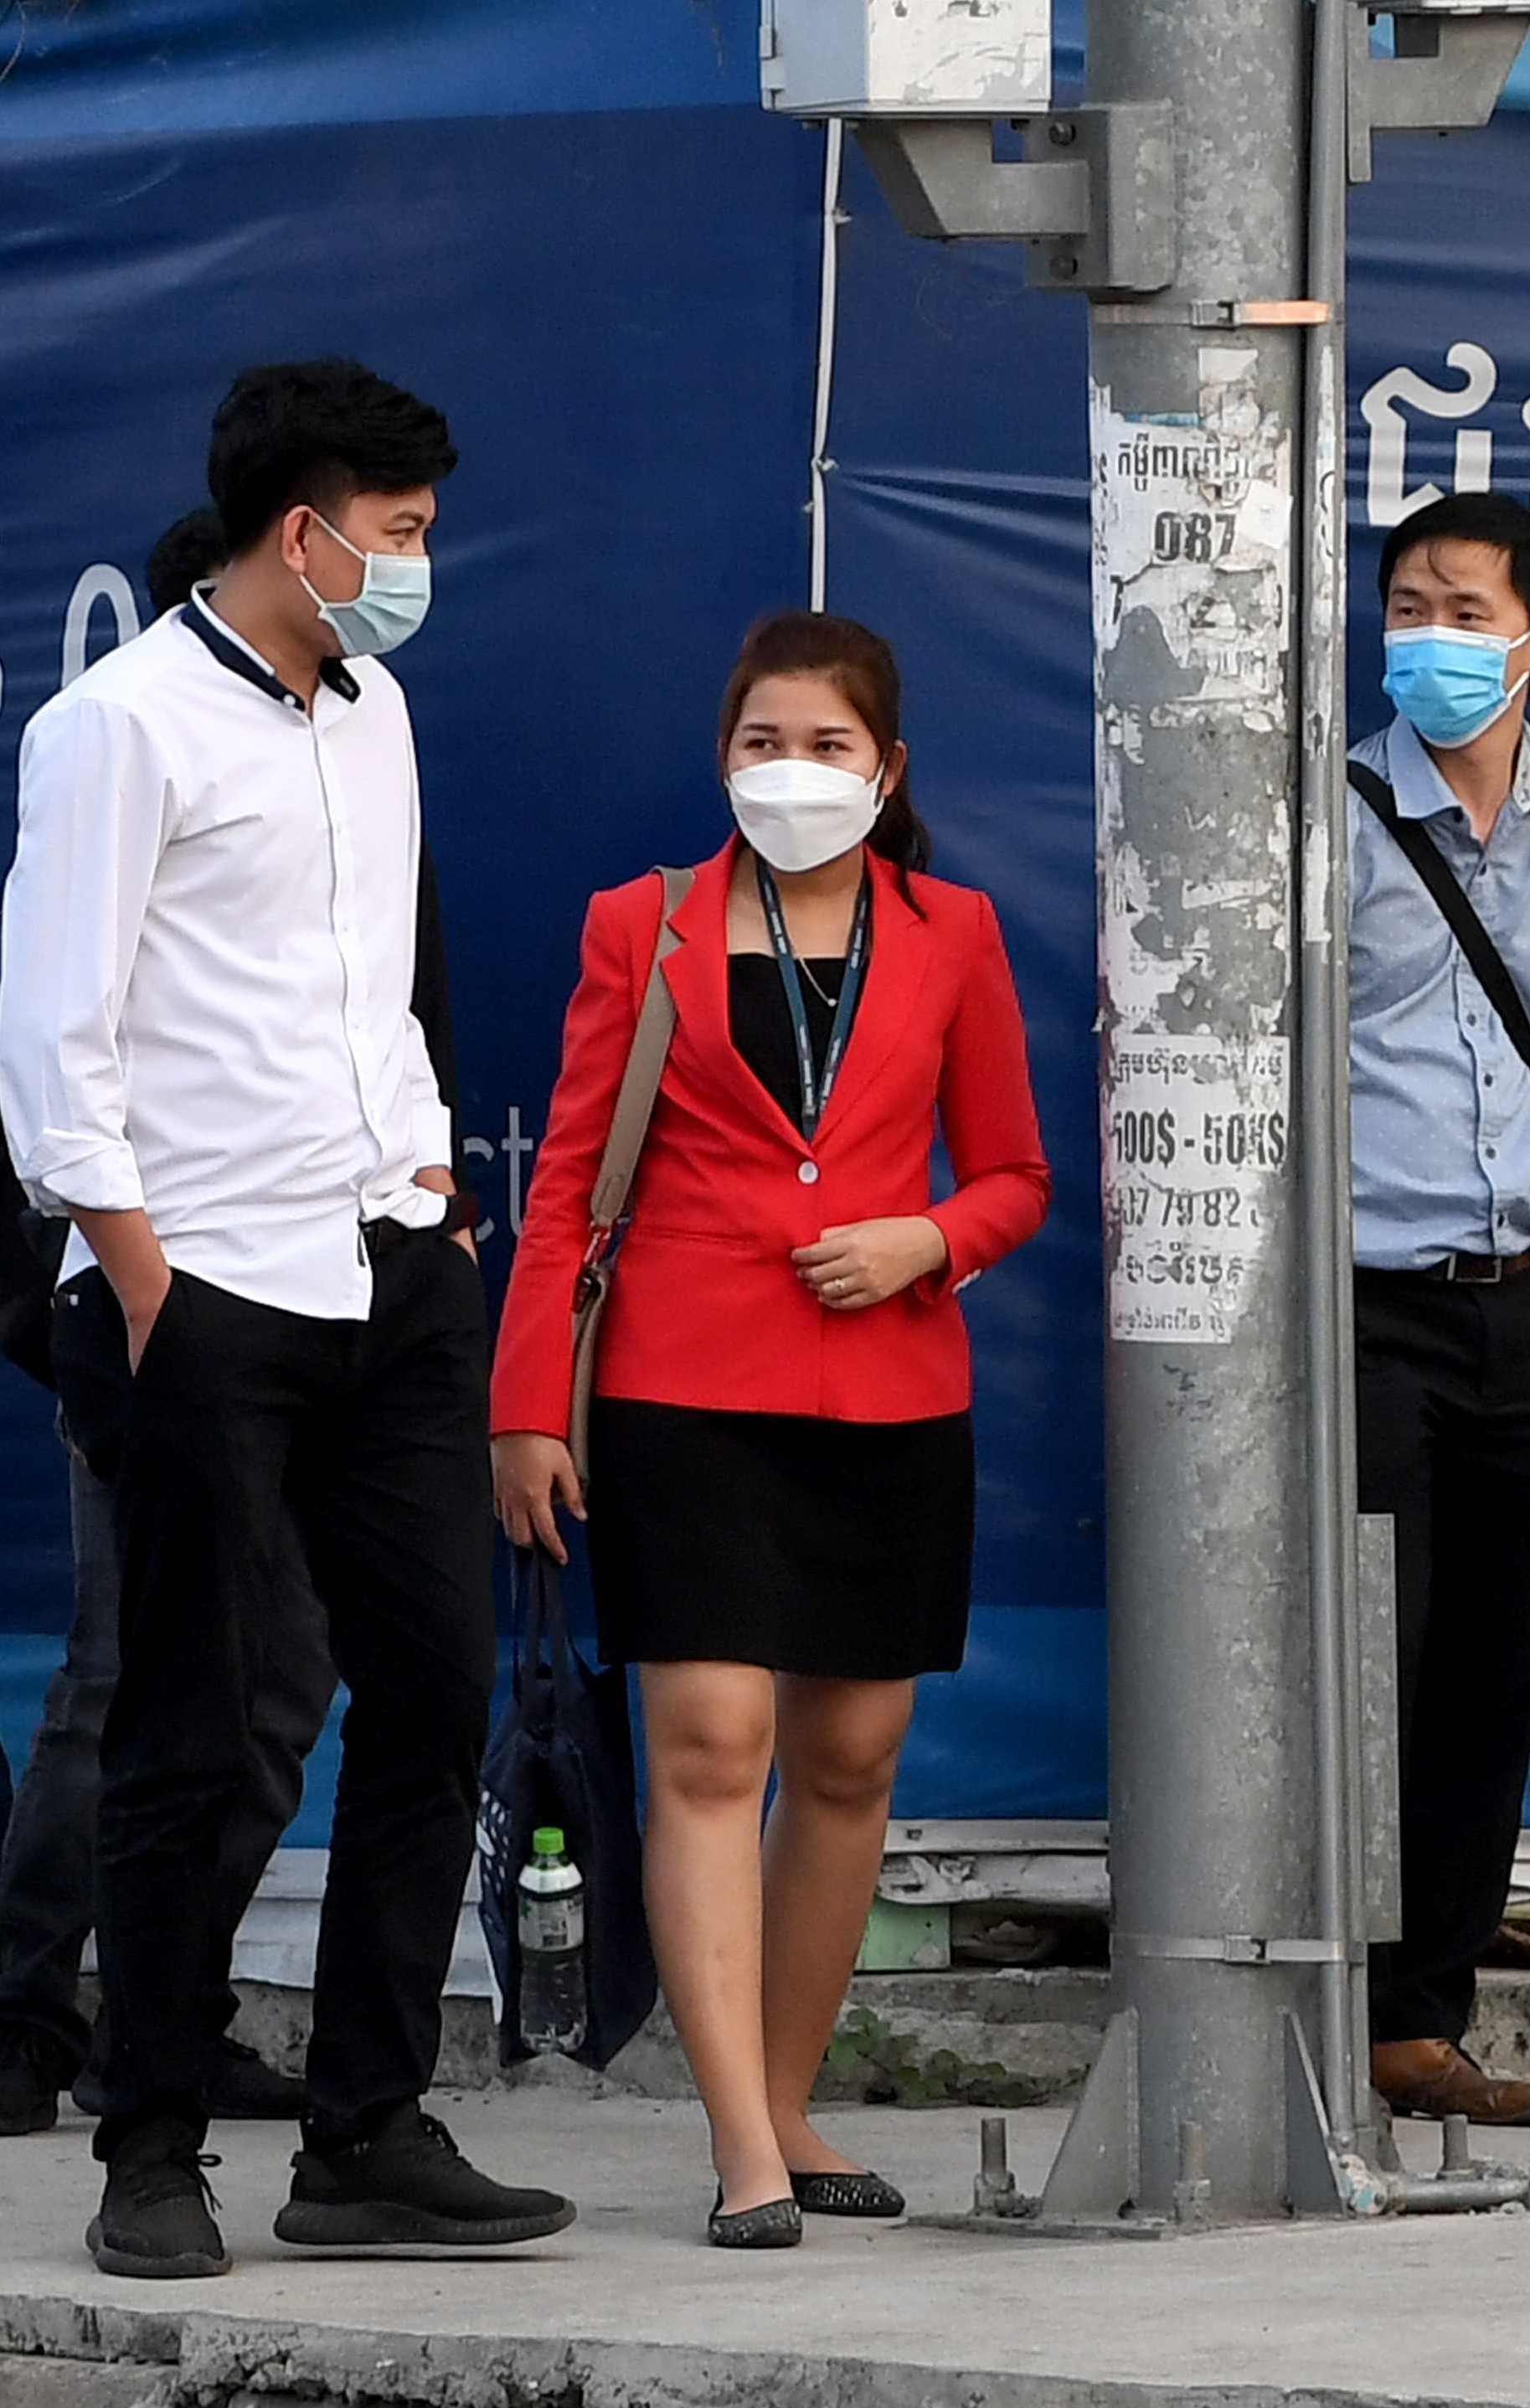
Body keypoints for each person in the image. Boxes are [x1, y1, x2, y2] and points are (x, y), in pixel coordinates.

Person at [0, 359, 568, 2279]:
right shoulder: (119, 726)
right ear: (300, 529)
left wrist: (428, 1197)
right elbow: (56, 1035)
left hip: (386, 1270)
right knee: (200, 1724)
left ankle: (366, 2131)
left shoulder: (376, 705)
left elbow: (373, 987)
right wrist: (143, 1275)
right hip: (205, 1292)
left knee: (434, 1691)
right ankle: (146, 2141)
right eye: (397, 534)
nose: (419, 565)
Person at [488, 613, 1048, 2246]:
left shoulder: (953, 933)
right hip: (681, 1388)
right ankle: (739, 2142)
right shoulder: (641, 925)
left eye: (824, 746)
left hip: (889, 1395)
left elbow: (1012, 1172)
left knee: (851, 1754)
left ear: (886, 769)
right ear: (720, 756)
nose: (789, 772)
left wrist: (922, 1240)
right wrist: (528, 1406)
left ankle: (793, 2099)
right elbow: (571, 1185)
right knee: (711, 1744)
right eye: (759, 742)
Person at [0, 513, 352, 2142]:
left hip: (311, 1314)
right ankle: (21, 2013)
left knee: (278, 1678)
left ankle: (165, 2007)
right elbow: (59, 1080)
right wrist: (142, 1297)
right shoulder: (114, 777)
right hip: (152, 1314)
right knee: (126, 1667)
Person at [1340, 491, 1530, 2130]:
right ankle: (1310, 2008)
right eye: (1408, 607)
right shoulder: (1314, 818)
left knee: (1495, 1669)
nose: (1433, 640)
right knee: (1359, 1662)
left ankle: (1416, 2021)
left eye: (1467, 612)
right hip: (1359, 1309)